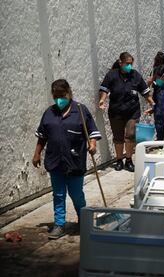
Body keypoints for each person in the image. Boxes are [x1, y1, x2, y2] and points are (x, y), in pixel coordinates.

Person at [32, 79, 101, 239]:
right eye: (56, 96)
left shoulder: (80, 110)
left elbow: (92, 131)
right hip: (55, 161)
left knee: (76, 194)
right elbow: (42, 137)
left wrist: (92, 144)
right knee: (58, 194)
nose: (59, 99)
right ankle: (59, 224)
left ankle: (83, 220)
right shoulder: (49, 113)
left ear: (69, 93)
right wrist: (36, 154)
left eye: (61, 95)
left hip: (75, 161)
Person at [99, 52, 155, 172]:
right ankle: (119, 160)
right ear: (120, 63)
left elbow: (145, 91)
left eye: (131, 64)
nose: (129, 66)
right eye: (127, 64)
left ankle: (129, 160)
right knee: (118, 137)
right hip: (116, 111)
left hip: (132, 112)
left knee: (130, 135)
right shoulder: (112, 75)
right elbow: (104, 89)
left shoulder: (135, 75)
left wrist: (152, 103)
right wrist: (102, 101)